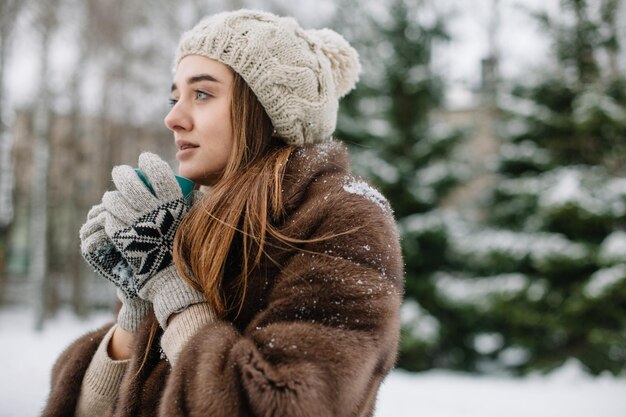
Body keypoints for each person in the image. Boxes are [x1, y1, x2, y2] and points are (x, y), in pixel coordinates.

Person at [42, 9, 403, 417]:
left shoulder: (344, 219)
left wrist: (170, 287)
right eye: (174, 97)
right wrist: (134, 308)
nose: (173, 118)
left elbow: (281, 404)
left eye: (202, 94)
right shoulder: (184, 223)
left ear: (268, 112)